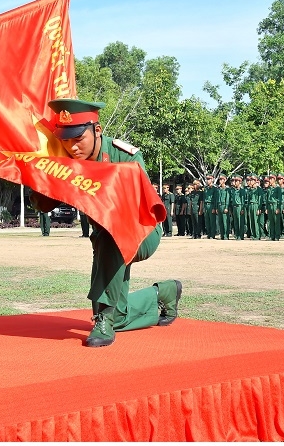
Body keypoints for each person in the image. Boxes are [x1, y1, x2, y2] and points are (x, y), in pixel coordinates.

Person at [33, 98, 181, 348]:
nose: (72, 147)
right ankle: (162, 294)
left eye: (78, 138)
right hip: (106, 241)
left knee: (108, 239)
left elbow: (131, 210)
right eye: (65, 140)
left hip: (141, 232)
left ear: (97, 130)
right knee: (118, 315)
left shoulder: (125, 156)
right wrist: (38, 173)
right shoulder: (67, 161)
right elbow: (44, 206)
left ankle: (104, 318)